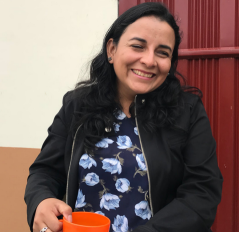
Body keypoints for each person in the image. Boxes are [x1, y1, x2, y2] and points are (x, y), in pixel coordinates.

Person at [24, 2, 223, 232]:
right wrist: (41, 201)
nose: (149, 60)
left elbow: (202, 192)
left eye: (162, 52)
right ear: (111, 49)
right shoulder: (77, 105)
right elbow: (45, 172)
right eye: (138, 46)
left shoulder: (187, 112)